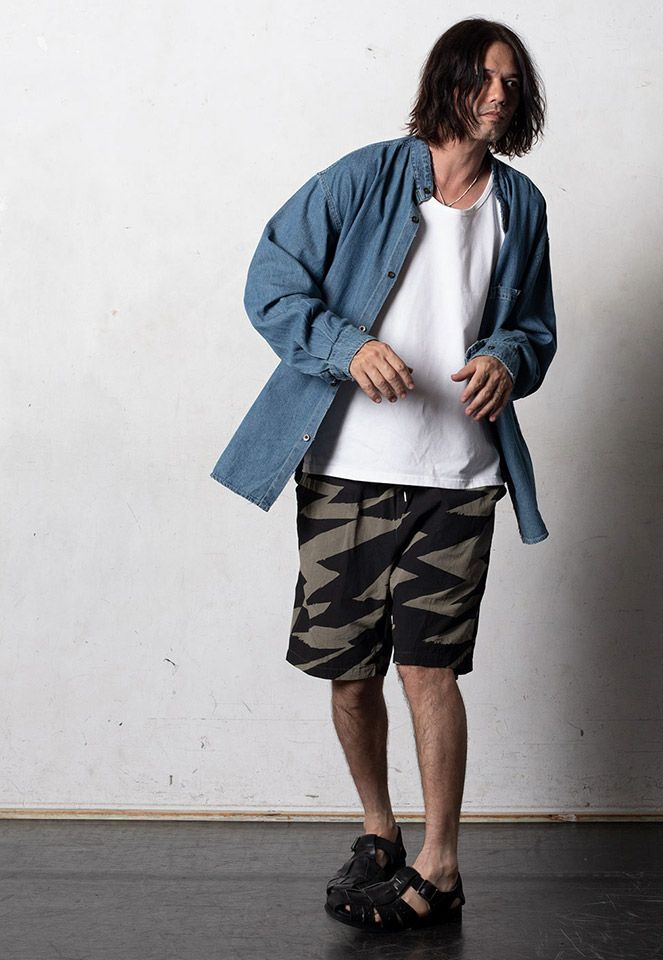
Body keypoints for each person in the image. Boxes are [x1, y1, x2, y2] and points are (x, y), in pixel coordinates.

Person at [210, 17, 557, 933]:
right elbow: (270, 279)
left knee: (430, 669)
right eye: (482, 77)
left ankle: (441, 865)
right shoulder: (363, 177)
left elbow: (534, 329)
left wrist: (508, 359)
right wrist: (345, 345)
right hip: (346, 469)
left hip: (460, 475)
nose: (497, 94)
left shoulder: (520, 206)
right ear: (447, 81)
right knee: (349, 671)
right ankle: (379, 832)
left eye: (511, 82)